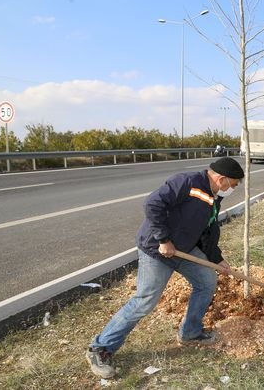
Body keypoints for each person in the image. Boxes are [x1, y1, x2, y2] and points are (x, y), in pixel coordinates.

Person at [86, 157, 245, 379]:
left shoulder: (213, 197)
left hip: (184, 250)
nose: (234, 188)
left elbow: (207, 231)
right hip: (157, 249)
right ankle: (100, 348)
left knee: (206, 282)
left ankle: (190, 333)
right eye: (234, 184)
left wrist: (216, 259)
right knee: (145, 300)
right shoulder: (187, 182)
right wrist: (163, 239)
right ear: (222, 179)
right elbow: (153, 204)